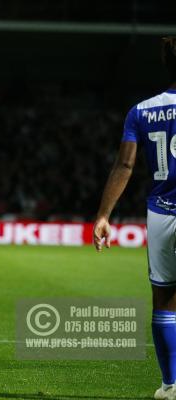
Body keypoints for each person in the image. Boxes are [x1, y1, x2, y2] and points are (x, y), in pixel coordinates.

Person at [93, 37, 176, 400]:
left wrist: (103, 215)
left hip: (162, 214)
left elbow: (125, 164)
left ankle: (170, 385)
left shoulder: (141, 110)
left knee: (165, 301)